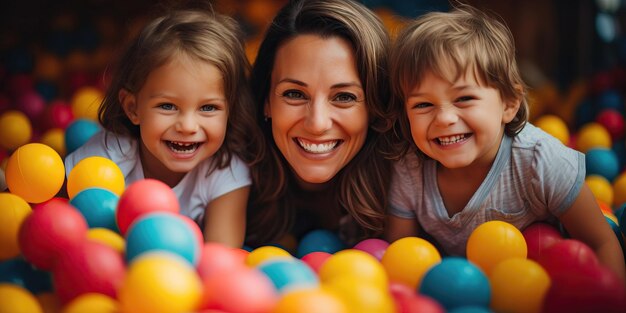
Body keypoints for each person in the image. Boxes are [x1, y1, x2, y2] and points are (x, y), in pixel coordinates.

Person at [386, 4, 626, 279]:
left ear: (509, 104)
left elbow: (602, 242)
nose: (444, 118)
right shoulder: (408, 168)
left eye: (464, 98)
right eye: (423, 104)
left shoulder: (541, 161)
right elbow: (400, 259)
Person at [64, 7, 263, 248]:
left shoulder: (226, 171)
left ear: (229, 111)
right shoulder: (109, 154)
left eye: (209, 108)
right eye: (167, 106)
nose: (188, 126)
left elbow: (221, 254)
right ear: (133, 108)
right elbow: (60, 220)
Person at [244, 0, 393, 247]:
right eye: (294, 94)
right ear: (266, 101)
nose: (317, 123)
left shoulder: (414, 187)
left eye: (344, 97)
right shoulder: (224, 177)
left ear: (375, 108)